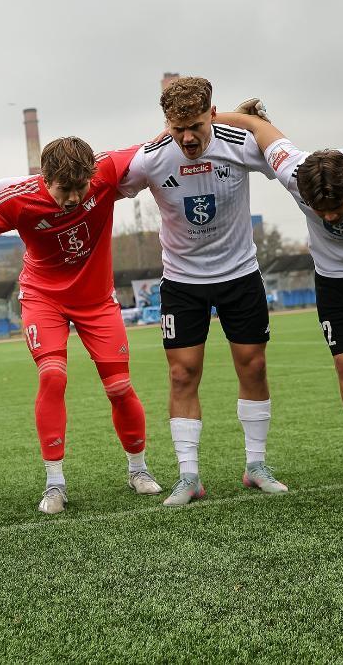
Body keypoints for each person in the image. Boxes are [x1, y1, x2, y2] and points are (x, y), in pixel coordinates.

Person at [0, 137, 162, 514]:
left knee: (119, 386)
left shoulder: (108, 170)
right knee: (53, 377)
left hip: (97, 301)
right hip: (43, 298)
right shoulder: (20, 199)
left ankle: (138, 469)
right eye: (65, 188)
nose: (74, 197)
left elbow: (164, 138)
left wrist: (225, 117)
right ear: (45, 178)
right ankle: (54, 483)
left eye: (81, 187)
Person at [225, 112, 343, 495]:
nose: (329, 217)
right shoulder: (292, 170)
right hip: (334, 283)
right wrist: (213, 117)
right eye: (319, 209)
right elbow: (257, 126)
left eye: (336, 205)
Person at [116, 77, 287, 505]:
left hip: (240, 274)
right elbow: (108, 190)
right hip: (182, 282)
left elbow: (287, 162)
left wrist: (249, 119)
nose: (188, 137)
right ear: (166, 124)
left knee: (253, 367)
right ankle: (188, 477)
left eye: (195, 125)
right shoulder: (151, 159)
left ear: (212, 114)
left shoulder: (239, 142)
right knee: (182, 374)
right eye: (177, 128)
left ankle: (256, 466)